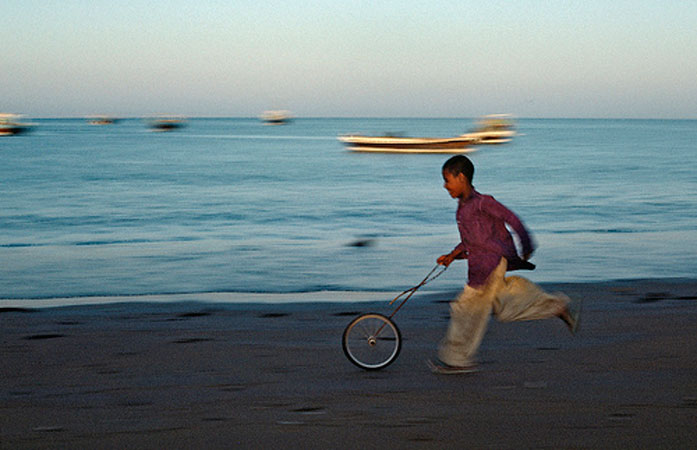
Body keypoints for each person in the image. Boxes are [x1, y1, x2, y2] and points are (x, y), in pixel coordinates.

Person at [430, 155, 580, 374]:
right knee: (504, 309)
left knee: (465, 309)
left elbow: (512, 219)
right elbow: (471, 240)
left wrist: (526, 245)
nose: (445, 185)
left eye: (447, 179)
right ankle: (557, 306)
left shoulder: (483, 202)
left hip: (489, 265)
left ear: (461, 177)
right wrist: (453, 255)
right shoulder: (462, 208)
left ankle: (458, 360)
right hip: (479, 266)